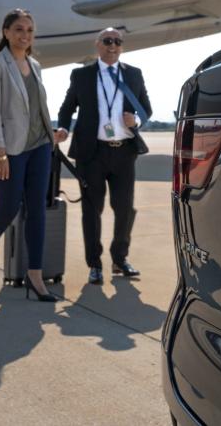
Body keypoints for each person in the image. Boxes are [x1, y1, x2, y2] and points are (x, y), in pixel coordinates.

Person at [0, 9, 59, 302]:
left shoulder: (36, 65)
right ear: (6, 32)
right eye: (19, 29)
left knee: (37, 210)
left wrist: (52, 132)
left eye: (30, 30)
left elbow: (37, 106)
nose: (25, 35)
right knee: (7, 209)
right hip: (10, 149)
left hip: (41, 146)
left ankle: (35, 274)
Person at [54, 28, 152, 285]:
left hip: (124, 152)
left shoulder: (134, 74)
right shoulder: (82, 75)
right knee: (91, 210)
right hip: (92, 153)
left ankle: (120, 259)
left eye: (118, 42)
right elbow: (67, 108)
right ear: (97, 45)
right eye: (108, 41)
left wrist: (137, 120)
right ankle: (94, 264)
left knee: (124, 209)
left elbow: (146, 109)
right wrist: (63, 127)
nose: (113, 45)